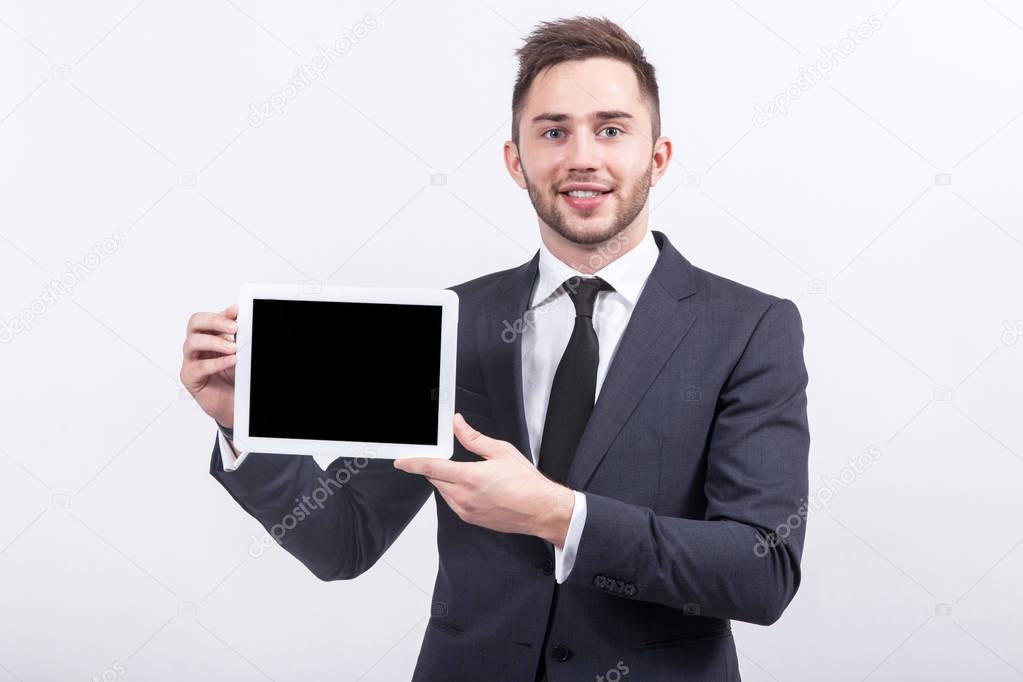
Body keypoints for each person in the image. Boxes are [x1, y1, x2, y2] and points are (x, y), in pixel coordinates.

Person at [179, 16, 810, 682]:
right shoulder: (449, 323)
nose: (582, 157)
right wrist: (237, 419)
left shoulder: (747, 328)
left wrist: (560, 516)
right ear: (517, 160)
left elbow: (760, 571)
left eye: (611, 129)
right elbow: (342, 539)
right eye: (552, 131)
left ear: (656, 157)